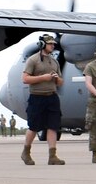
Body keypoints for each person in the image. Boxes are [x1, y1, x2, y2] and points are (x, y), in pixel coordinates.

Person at [21, 35, 65, 165]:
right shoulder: (33, 60)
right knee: (34, 127)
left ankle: (52, 156)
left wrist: (57, 79)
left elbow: (61, 83)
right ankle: (26, 152)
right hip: (37, 97)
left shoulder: (54, 61)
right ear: (42, 45)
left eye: (53, 44)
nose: (53, 45)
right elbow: (25, 79)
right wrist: (43, 78)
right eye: (50, 44)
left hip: (52, 97)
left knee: (53, 126)